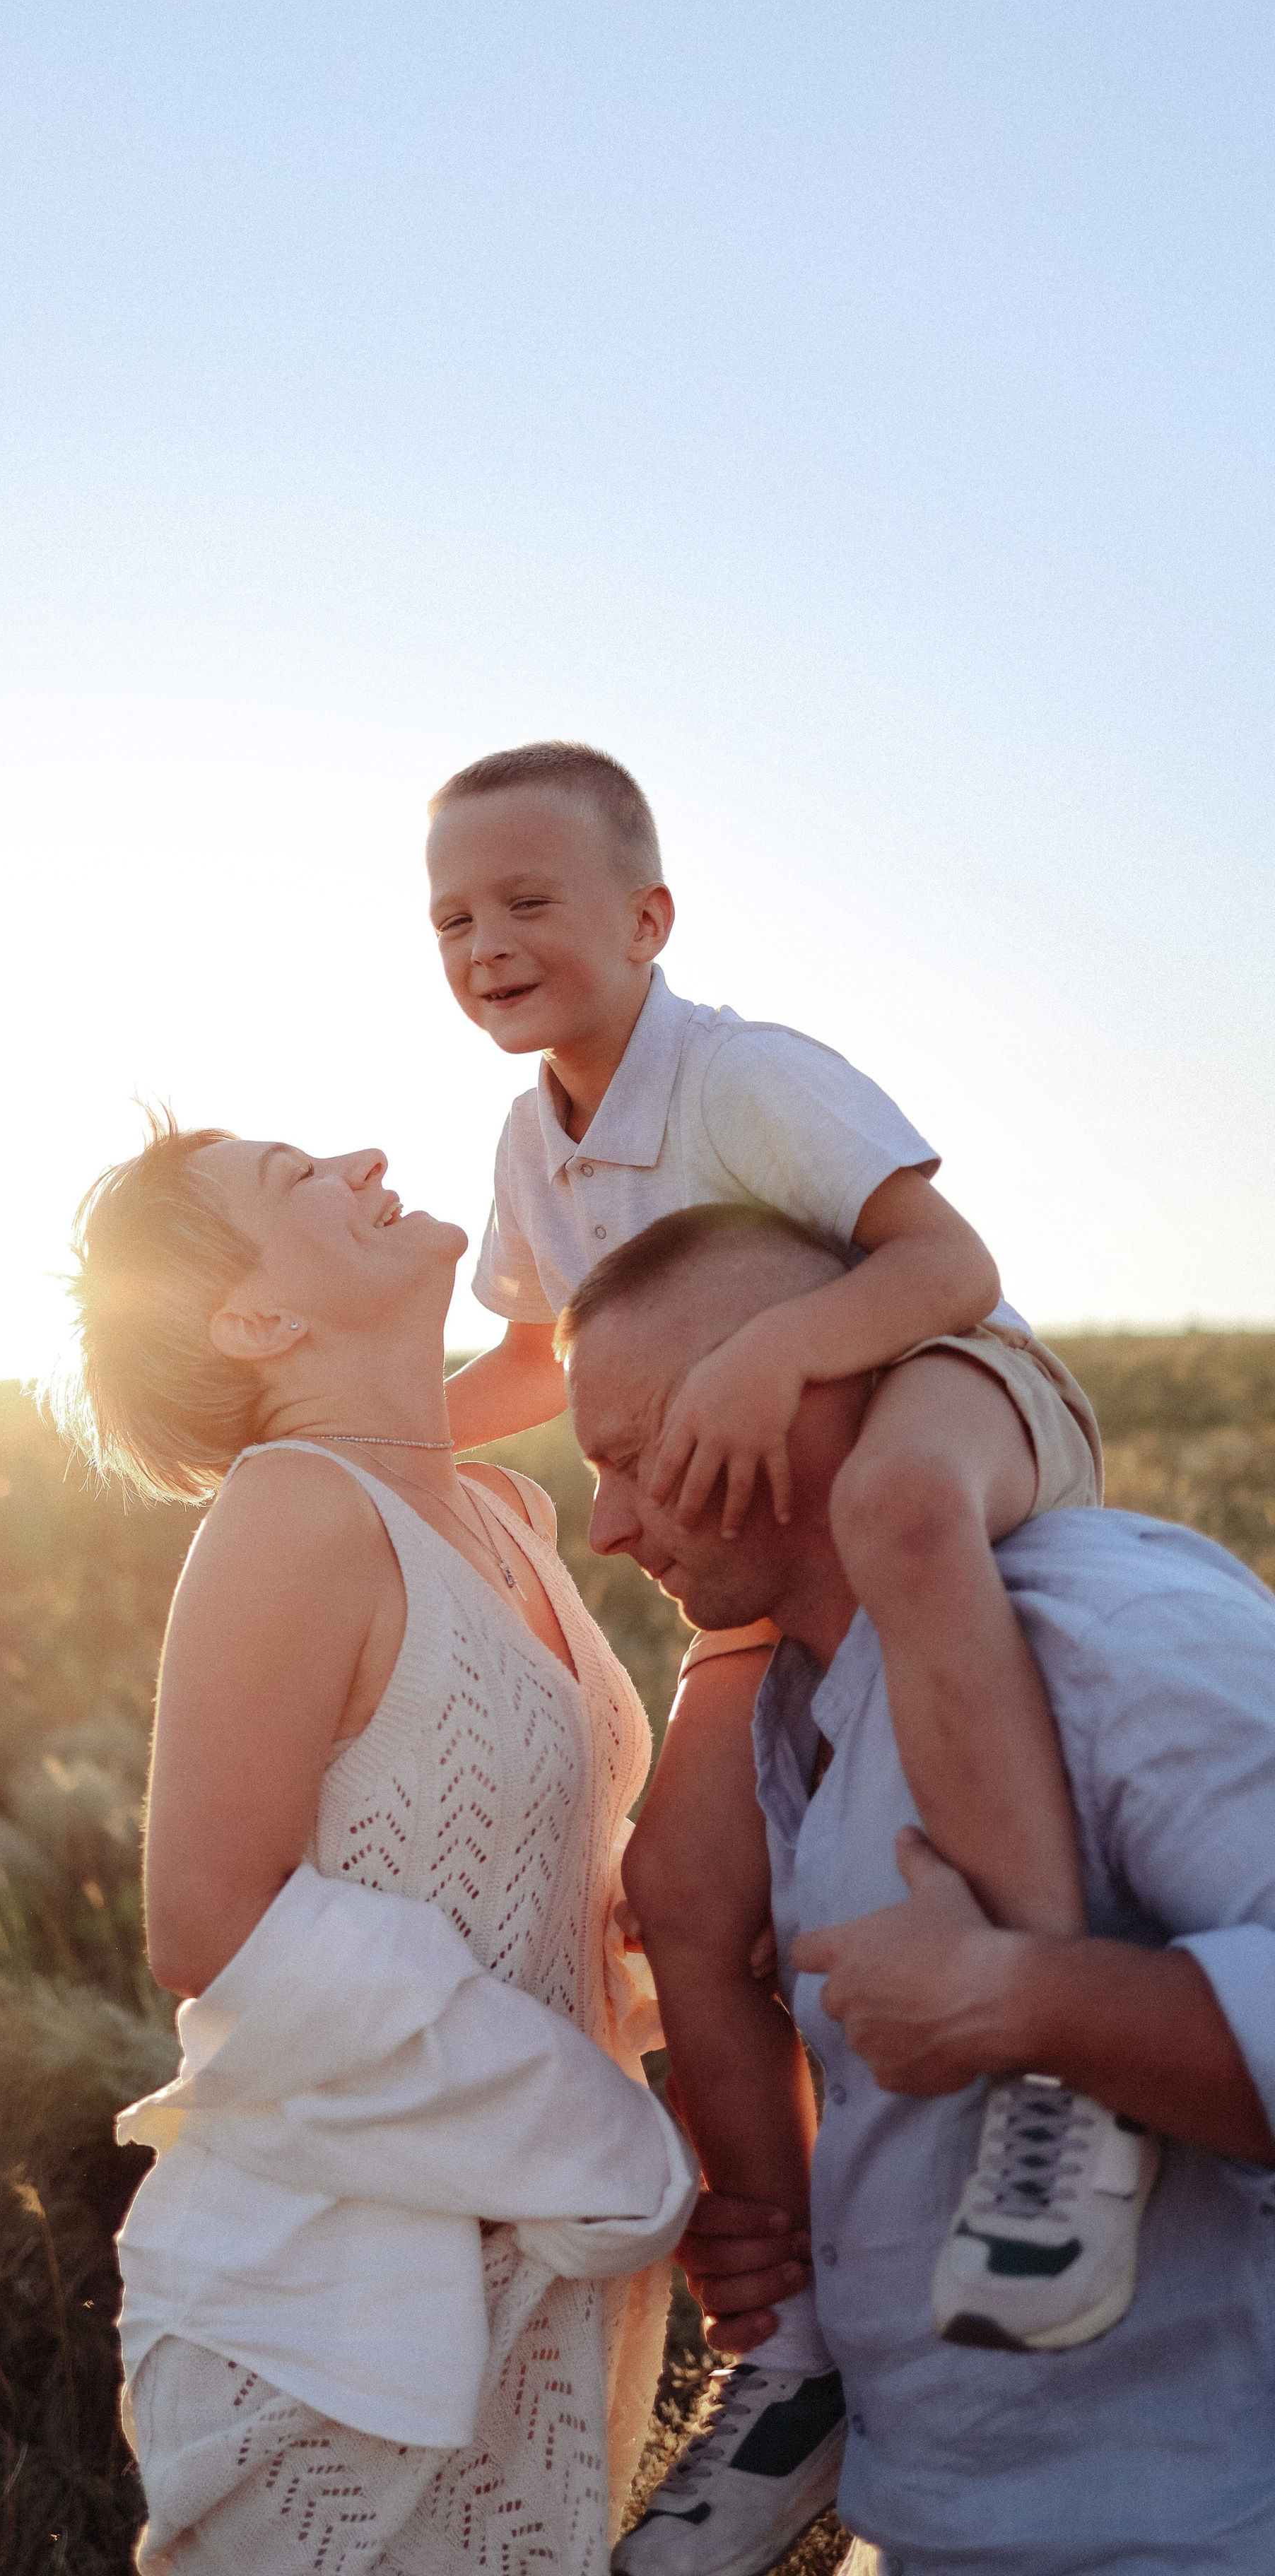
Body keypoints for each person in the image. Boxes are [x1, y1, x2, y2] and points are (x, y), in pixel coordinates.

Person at [428, 741, 1141, 2568]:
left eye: (528, 903)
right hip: (756, 1536)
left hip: (942, 1410)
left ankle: (1066, 2074)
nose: (486, 942)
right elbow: (534, 1362)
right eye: (451, 918)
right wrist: (378, 1433)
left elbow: (950, 1262)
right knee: (672, 1878)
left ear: (648, 918)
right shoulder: (535, 1142)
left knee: (903, 1515)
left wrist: (771, 1356)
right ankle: (800, 2344)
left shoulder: (747, 1076)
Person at [562, 1200, 1275, 2576]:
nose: (606, 1525)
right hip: (934, 2525)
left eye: (634, 1456)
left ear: (801, 1395)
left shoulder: (1113, 1638)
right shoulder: (781, 1720)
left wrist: (1022, 1999)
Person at [54, 1116, 699, 2574]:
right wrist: (609, 2141)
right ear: (255, 1318)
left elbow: (506, 1867)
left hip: (537, 2267)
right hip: (339, 2311)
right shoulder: (291, 1509)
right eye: (295, 1181)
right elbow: (212, 1923)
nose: (355, 1159)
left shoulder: (503, 1510)